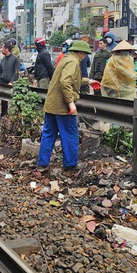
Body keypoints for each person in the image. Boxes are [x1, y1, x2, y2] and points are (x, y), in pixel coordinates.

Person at [37, 40, 92, 173]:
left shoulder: (66, 59)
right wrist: (70, 102)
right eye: (84, 54)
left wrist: (89, 81)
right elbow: (65, 81)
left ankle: (42, 164)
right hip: (63, 106)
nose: (85, 57)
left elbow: (69, 78)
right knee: (70, 133)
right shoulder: (73, 62)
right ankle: (70, 164)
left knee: (49, 133)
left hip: (51, 104)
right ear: (80, 53)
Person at [0, 41, 20, 117]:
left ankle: (15, 115)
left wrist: (12, 81)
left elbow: (16, 71)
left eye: (2, 48)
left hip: (11, 82)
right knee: (3, 100)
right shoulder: (3, 60)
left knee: (14, 99)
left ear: (7, 49)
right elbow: (0, 71)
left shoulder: (15, 59)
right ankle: (3, 115)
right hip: (3, 82)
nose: (1, 50)